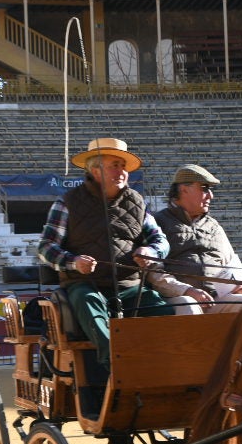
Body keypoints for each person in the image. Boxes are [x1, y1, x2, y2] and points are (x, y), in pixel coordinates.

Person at [36, 137, 172, 412]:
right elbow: (45, 248)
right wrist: (73, 262)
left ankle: (166, 377)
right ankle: (120, 375)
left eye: (123, 166)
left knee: (164, 312)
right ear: (95, 170)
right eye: (115, 165)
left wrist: (151, 252)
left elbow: (162, 241)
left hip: (129, 286)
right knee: (90, 306)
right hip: (84, 285)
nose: (122, 171)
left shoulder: (137, 202)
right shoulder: (67, 204)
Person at [146, 163, 242, 315]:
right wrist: (187, 291)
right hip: (177, 299)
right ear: (184, 189)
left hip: (216, 300)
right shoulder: (158, 223)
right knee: (188, 304)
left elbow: (232, 264)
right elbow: (153, 273)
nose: (211, 195)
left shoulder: (214, 226)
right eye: (204, 188)